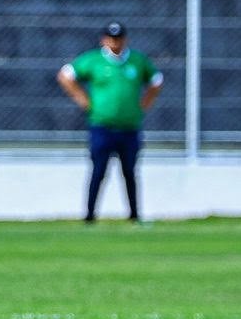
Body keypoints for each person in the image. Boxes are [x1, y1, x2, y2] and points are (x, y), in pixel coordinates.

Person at [56, 21, 163, 224]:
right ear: (104, 39)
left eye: (119, 38)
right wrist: (82, 99)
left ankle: (134, 215)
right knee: (98, 171)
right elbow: (66, 75)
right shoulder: (94, 60)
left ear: (125, 39)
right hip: (102, 126)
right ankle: (90, 216)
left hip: (129, 127)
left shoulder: (136, 61)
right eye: (111, 38)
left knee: (130, 172)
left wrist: (144, 104)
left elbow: (156, 81)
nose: (115, 42)